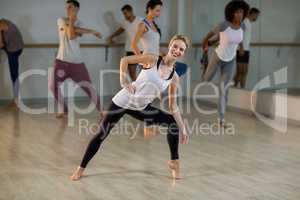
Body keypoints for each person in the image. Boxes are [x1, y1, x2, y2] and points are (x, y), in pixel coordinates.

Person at [70, 35, 190, 181]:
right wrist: (123, 80)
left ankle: (174, 162)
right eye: (175, 46)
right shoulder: (152, 59)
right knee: (101, 135)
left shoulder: (174, 77)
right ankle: (80, 169)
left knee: (173, 123)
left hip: (141, 107)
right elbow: (125, 60)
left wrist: (182, 127)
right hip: (123, 102)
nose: (177, 50)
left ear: (184, 53)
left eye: (181, 49)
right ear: (170, 45)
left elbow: (173, 105)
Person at [49, 0, 103, 118]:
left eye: (71, 7)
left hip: (77, 63)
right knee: (53, 86)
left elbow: (72, 35)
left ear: (77, 9)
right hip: (61, 62)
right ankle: (64, 109)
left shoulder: (81, 23)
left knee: (88, 87)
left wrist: (74, 22)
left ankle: (102, 111)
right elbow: (71, 33)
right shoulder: (61, 20)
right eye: (67, 7)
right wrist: (92, 31)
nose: (68, 9)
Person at [202, 0, 249, 127]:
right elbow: (211, 34)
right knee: (206, 79)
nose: (239, 14)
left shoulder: (243, 26)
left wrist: (242, 47)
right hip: (217, 57)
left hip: (230, 60)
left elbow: (238, 38)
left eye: (241, 12)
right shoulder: (224, 25)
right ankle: (204, 66)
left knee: (224, 90)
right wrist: (205, 42)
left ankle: (221, 120)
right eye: (237, 12)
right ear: (232, 13)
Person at [106, 5, 143, 81]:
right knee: (132, 74)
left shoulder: (141, 20)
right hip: (130, 50)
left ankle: (144, 90)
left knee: (145, 73)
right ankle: (135, 91)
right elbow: (120, 30)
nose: (125, 15)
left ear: (131, 11)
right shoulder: (124, 22)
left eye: (126, 13)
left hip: (142, 49)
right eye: (123, 14)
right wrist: (111, 37)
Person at [234, 7, 260, 88]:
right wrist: (241, 47)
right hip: (241, 50)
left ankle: (242, 89)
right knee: (240, 71)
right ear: (253, 14)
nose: (257, 17)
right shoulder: (244, 22)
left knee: (244, 72)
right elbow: (238, 35)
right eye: (256, 15)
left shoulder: (249, 23)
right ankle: (233, 88)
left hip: (246, 50)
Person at [0, 18, 24, 108]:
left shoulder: (9, 30)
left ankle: (16, 100)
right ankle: (16, 100)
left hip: (14, 50)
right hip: (11, 47)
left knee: (14, 75)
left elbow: (1, 45)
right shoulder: (5, 24)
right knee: (14, 75)